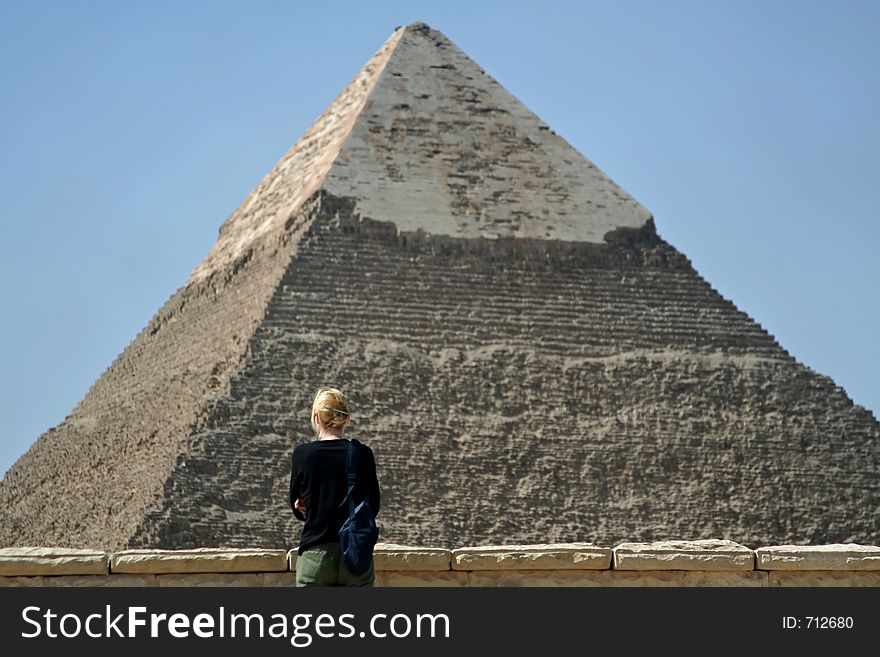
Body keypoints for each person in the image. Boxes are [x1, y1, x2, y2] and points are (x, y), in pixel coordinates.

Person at [289, 386, 381, 586]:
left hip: (316, 555)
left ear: (316, 418)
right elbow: (373, 506)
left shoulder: (303, 455)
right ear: (346, 418)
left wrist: (304, 506)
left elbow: (297, 505)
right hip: (356, 556)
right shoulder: (362, 454)